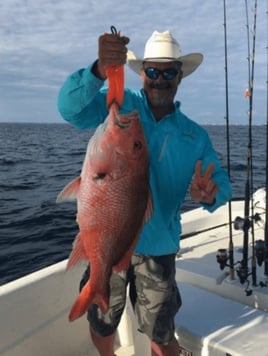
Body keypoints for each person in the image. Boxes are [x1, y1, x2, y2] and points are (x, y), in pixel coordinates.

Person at [57, 29, 232, 356]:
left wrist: (212, 194)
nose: (160, 79)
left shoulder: (194, 135)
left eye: (168, 72)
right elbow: (70, 109)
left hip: (159, 249)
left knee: (161, 332)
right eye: (152, 71)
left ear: (180, 77)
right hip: (108, 240)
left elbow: (221, 185)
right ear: (142, 74)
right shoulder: (121, 103)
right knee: (102, 323)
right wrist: (97, 71)